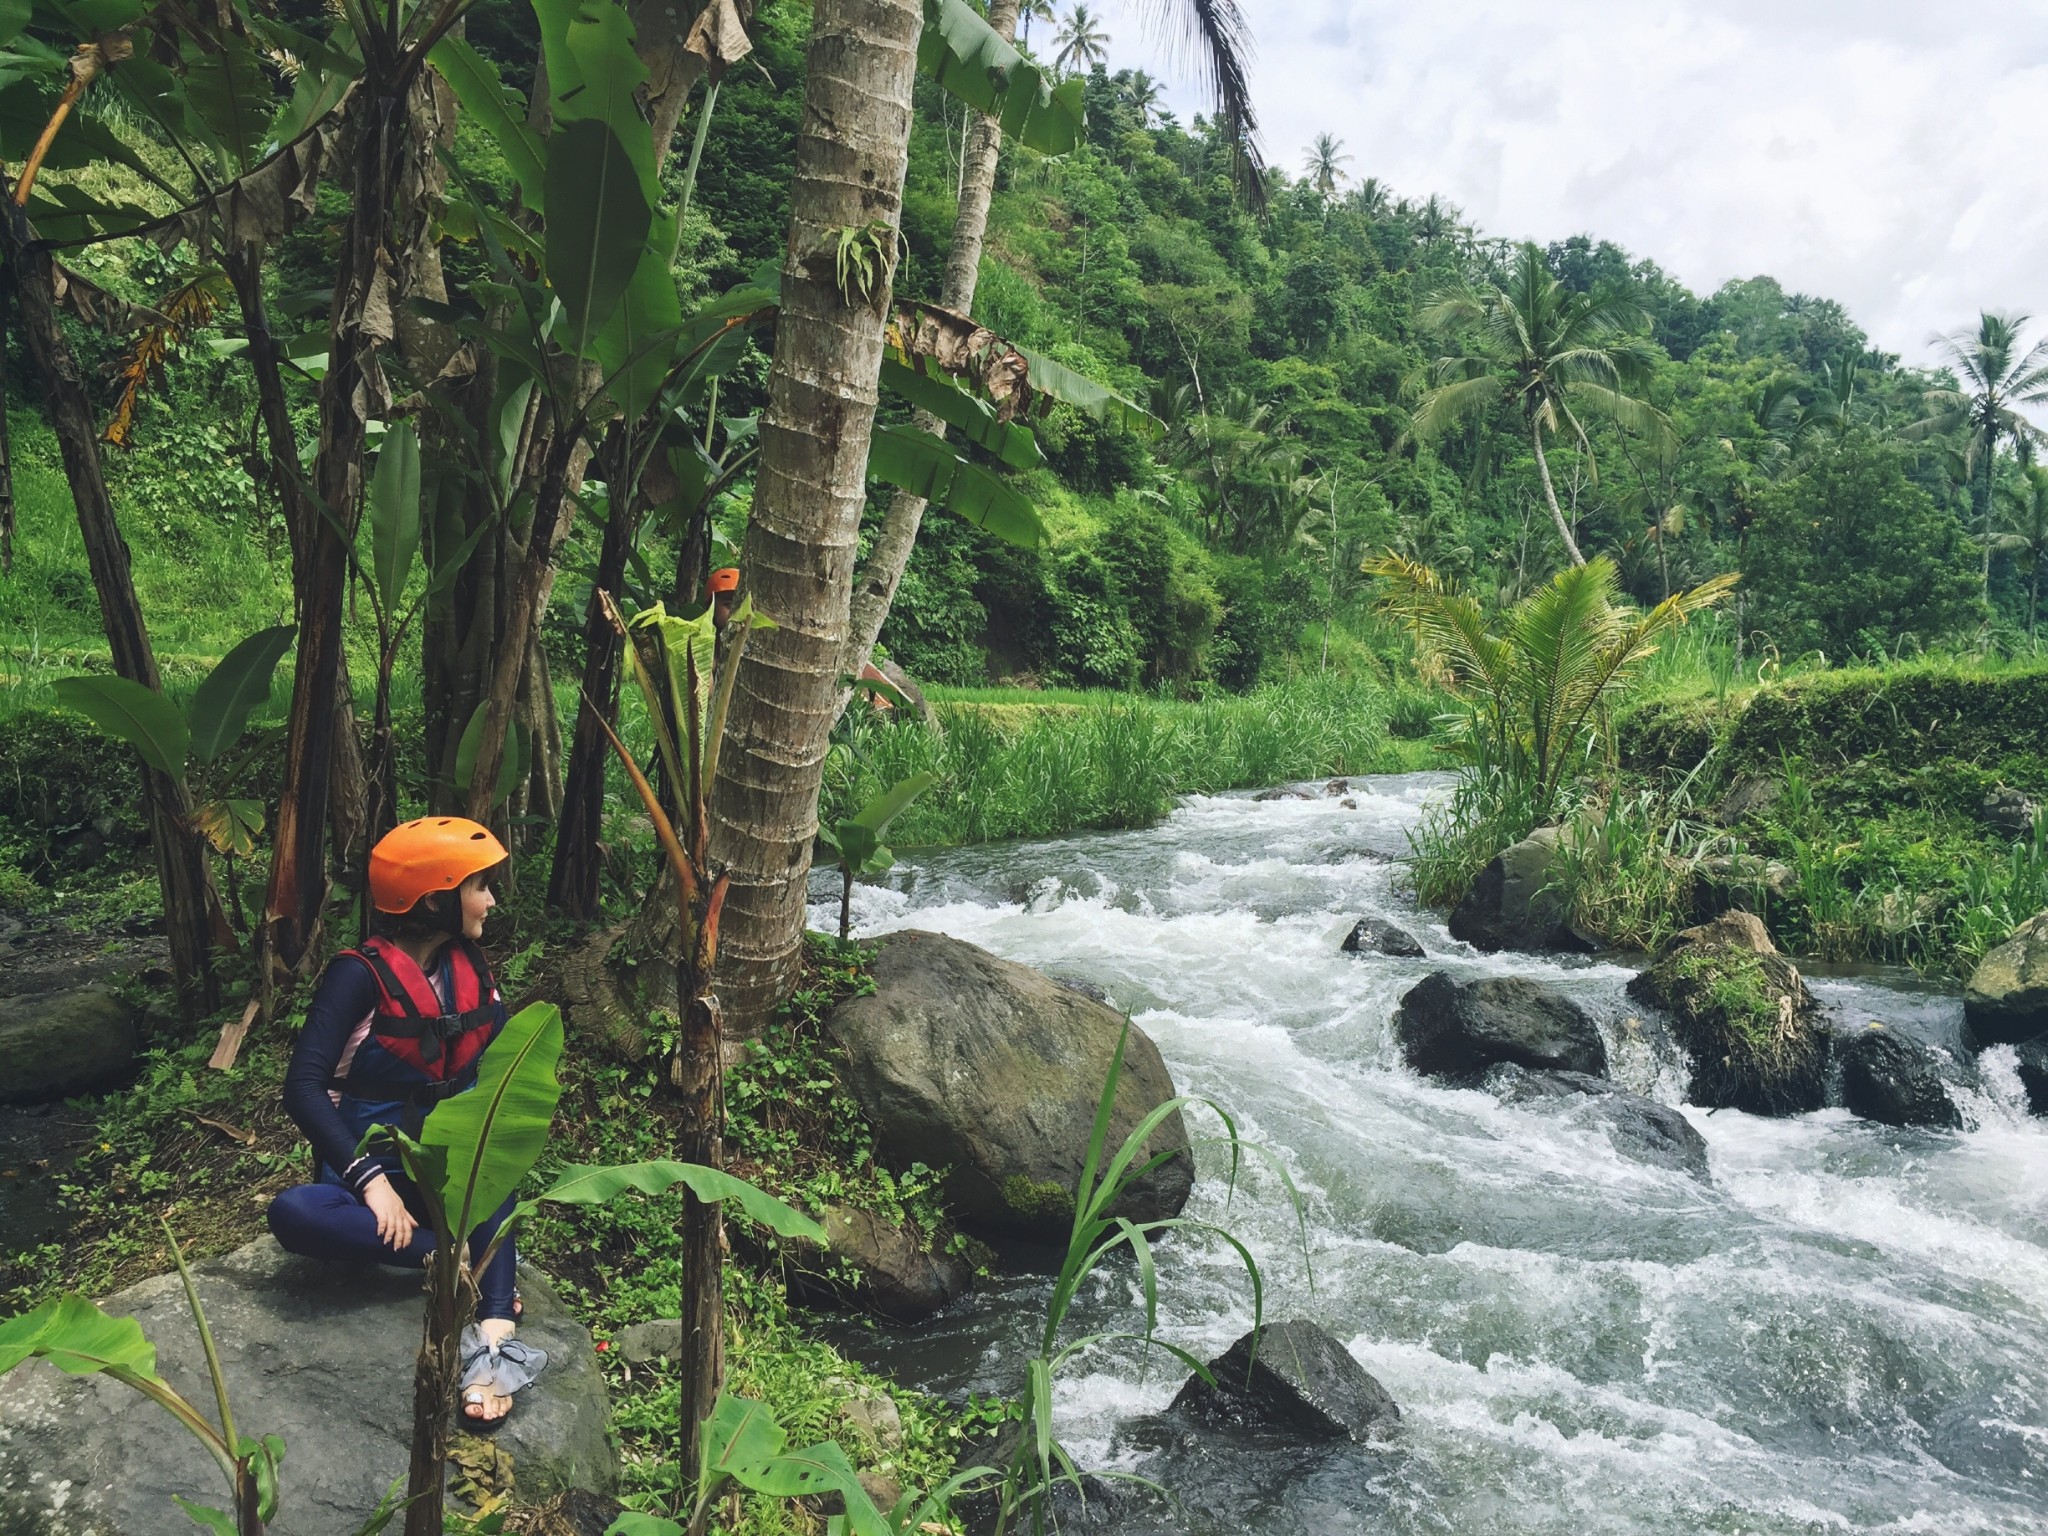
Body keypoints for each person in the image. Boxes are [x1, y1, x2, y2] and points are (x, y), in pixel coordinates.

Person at [267, 816, 545, 1429]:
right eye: (478, 887)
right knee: (294, 1212)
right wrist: (370, 1179)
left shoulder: (470, 966)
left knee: (492, 1162)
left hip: (448, 1171)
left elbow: (501, 1072)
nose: (490, 901)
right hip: (370, 1184)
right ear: (434, 899)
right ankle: (460, 1258)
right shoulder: (356, 976)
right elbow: (303, 1089)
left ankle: (494, 1331)